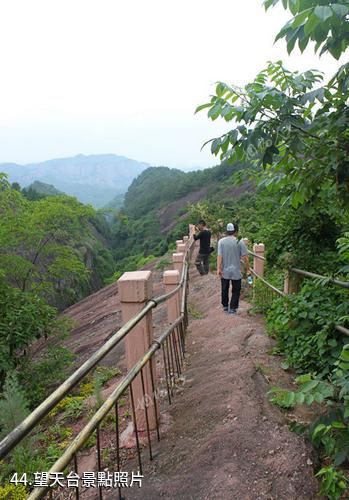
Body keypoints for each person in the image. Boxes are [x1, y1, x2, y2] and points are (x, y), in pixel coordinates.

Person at [217, 223, 250, 314]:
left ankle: (225, 306)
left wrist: (218, 268)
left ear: (226, 231)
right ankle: (233, 308)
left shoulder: (221, 242)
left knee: (224, 288)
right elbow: (245, 257)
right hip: (236, 270)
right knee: (236, 289)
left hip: (225, 270)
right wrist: (248, 269)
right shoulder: (240, 242)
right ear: (235, 231)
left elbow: (220, 256)